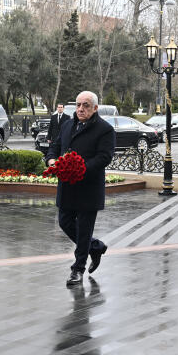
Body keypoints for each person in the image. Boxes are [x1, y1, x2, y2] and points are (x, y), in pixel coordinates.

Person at [46, 91, 115, 286]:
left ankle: (78, 269)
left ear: (95, 108)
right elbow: (55, 146)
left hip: (88, 188)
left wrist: (81, 168)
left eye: (85, 105)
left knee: (84, 230)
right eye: (78, 105)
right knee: (65, 222)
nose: (81, 109)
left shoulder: (105, 129)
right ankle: (96, 247)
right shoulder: (67, 125)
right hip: (67, 186)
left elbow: (104, 157)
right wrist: (51, 159)